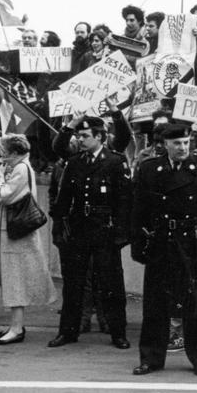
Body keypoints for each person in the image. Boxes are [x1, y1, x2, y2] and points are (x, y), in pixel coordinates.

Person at [130, 124, 197, 376]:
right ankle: (151, 358)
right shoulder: (150, 168)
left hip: (191, 240)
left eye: (186, 142)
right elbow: (139, 210)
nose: (182, 148)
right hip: (161, 240)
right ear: (165, 145)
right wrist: (138, 244)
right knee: (155, 302)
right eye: (177, 143)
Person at [48, 116, 133, 350]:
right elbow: (63, 198)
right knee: (73, 283)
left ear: (99, 137)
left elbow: (124, 200)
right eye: (80, 135)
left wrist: (121, 234)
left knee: (111, 283)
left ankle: (118, 333)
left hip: (105, 229)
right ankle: (68, 331)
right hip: (79, 228)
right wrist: (59, 227)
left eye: (85, 136)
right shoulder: (75, 162)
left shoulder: (115, 161)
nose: (80, 139)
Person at [0, 134, 55, 345]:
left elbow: (5, 195)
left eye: (5, 153)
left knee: (16, 278)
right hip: (14, 232)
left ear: (16, 153)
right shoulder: (18, 167)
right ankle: (15, 325)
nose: (1, 158)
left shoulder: (20, 169)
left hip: (18, 234)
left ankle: (16, 328)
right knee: (14, 277)